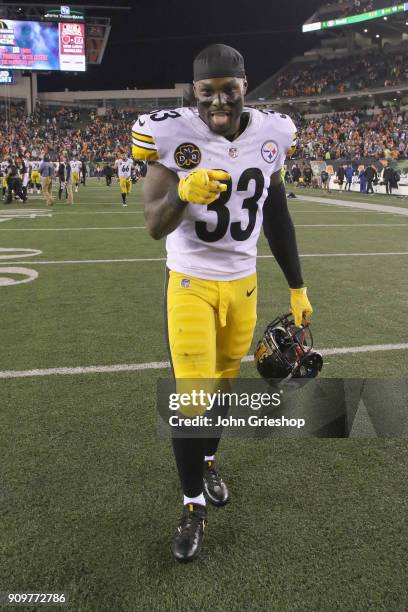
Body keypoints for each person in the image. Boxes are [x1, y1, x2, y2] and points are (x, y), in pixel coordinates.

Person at [132, 44, 313, 563]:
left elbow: (276, 214)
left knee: (225, 387)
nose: (217, 102)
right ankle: (191, 507)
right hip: (190, 281)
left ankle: (208, 463)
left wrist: (297, 285)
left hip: (245, 283)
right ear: (194, 92)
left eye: (227, 90)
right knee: (192, 401)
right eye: (206, 92)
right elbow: (152, 225)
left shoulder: (273, 133)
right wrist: (181, 193)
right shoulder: (171, 134)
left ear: (243, 86)